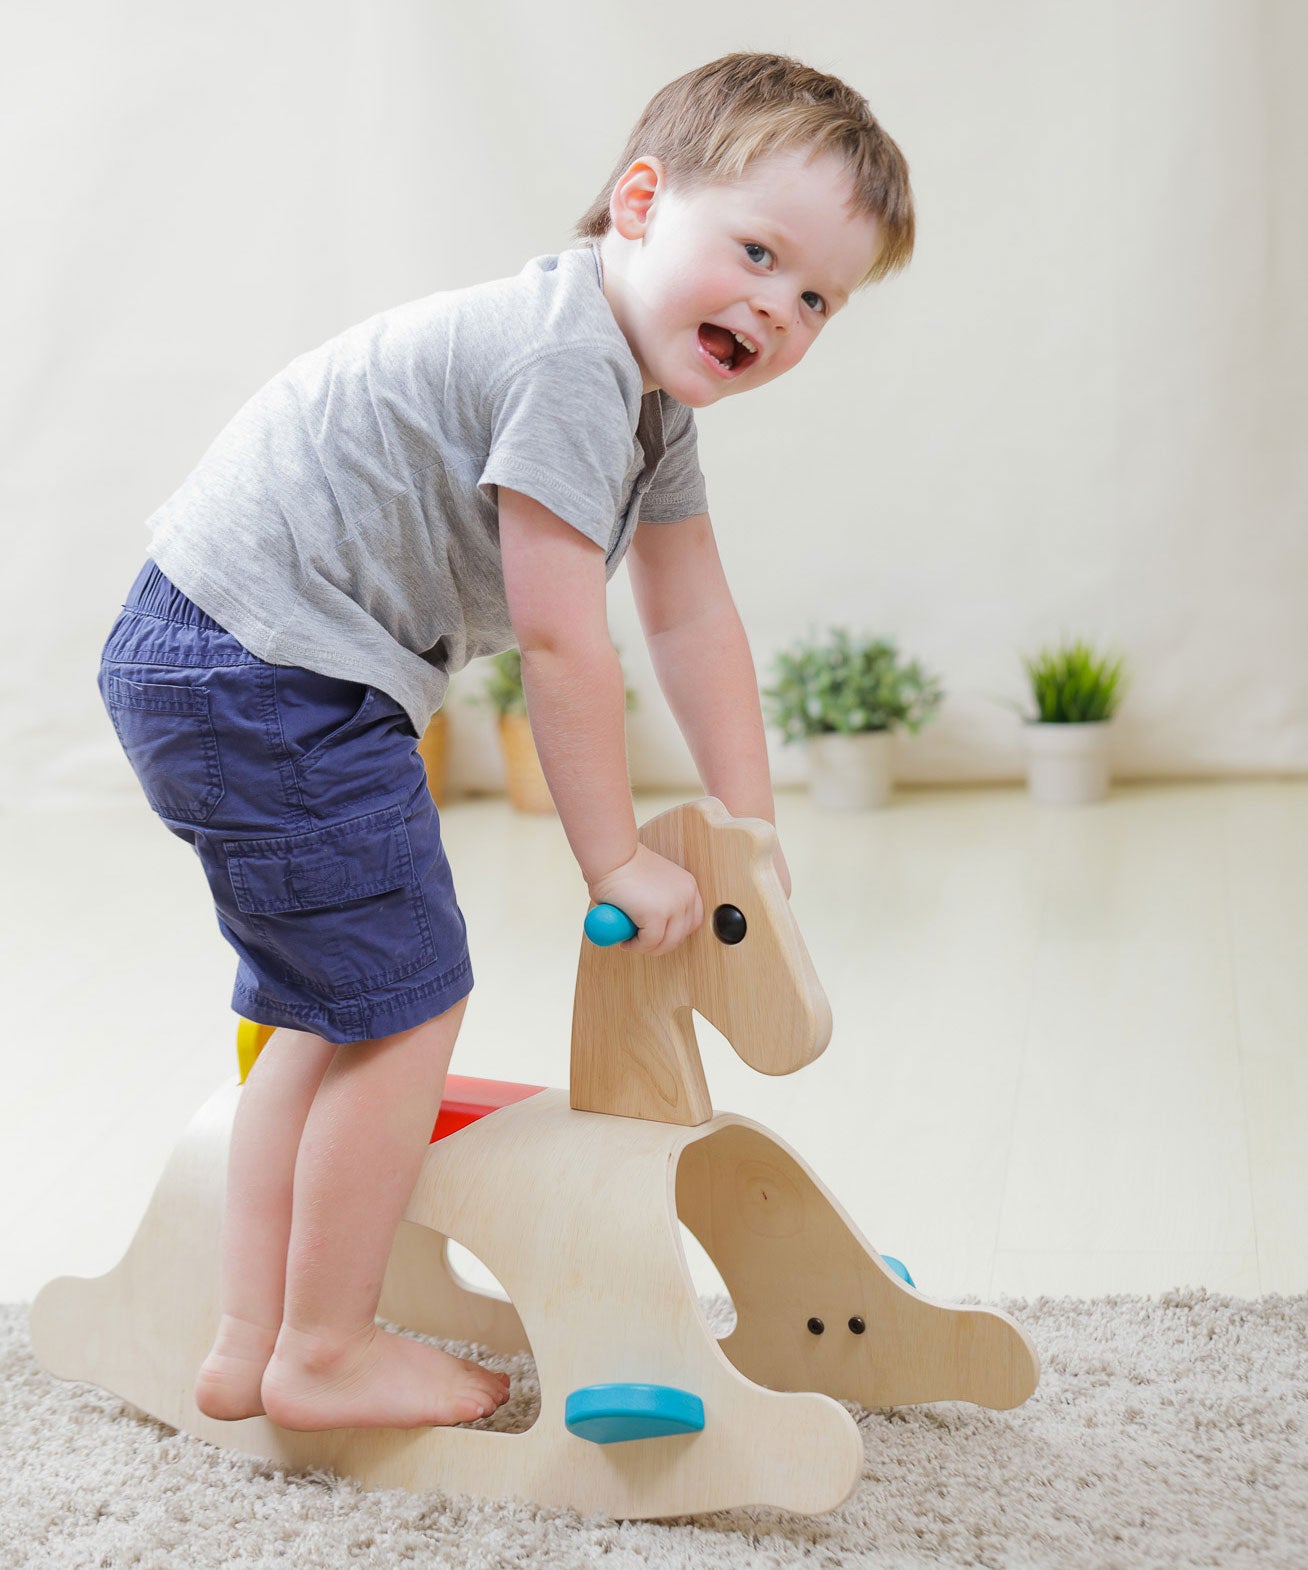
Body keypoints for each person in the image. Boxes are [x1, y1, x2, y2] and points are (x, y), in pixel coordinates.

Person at [97, 51, 914, 1434]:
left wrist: (741, 825)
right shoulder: (570, 364)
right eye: (759, 253)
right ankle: (328, 1344)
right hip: (264, 667)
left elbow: (691, 609)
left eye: (817, 298)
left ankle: (253, 1341)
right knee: (410, 997)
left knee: (323, 1004)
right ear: (642, 202)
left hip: (226, 655)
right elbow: (560, 643)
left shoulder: (649, 398)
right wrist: (613, 857)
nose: (776, 309)